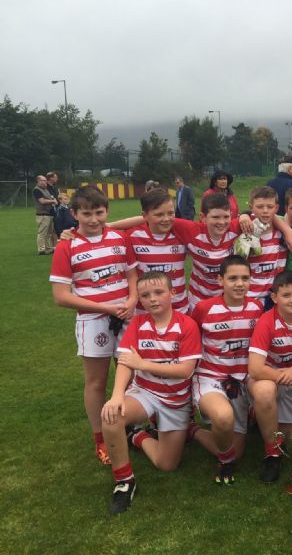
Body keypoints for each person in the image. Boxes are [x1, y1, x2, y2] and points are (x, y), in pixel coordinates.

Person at [50, 186, 138, 465]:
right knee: (97, 382)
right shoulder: (66, 246)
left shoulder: (120, 238)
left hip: (127, 317)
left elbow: (132, 274)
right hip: (93, 321)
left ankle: (130, 427)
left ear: (107, 211)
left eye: (99, 212)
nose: (93, 219)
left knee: (132, 377)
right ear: (74, 214)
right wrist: (105, 308)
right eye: (86, 214)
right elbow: (61, 297)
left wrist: (133, 300)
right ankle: (100, 438)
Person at [100, 271, 202, 514]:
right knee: (112, 416)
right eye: (145, 295)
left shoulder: (187, 325)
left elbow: (185, 371)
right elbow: (126, 362)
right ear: (140, 300)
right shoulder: (137, 323)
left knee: (167, 465)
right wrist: (117, 395)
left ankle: (137, 436)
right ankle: (124, 481)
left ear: (172, 293)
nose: (153, 299)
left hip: (175, 401)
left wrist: (143, 364)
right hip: (145, 392)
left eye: (159, 292)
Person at [189, 255, 263, 485]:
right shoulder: (204, 308)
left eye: (245, 278)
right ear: (220, 280)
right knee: (223, 417)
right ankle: (209, 444)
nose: (240, 284)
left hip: (241, 380)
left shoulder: (257, 307)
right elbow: (190, 342)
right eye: (233, 278)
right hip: (211, 377)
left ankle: (193, 430)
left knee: (237, 451)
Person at [248, 270, 292, 483]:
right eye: (286, 295)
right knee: (265, 391)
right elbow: (255, 369)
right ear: (274, 297)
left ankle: (261, 419)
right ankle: (272, 455)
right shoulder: (266, 322)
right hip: (269, 377)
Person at [126, 188, 189, 314]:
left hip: (178, 308)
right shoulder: (132, 236)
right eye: (159, 215)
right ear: (144, 215)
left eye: (171, 213)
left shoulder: (182, 233)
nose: (166, 219)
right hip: (145, 311)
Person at [238, 186, 287, 307]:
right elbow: (239, 259)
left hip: (275, 297)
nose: (265, 211)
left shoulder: (283, 229)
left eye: (270, 207)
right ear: (251, 207)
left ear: (276, 208)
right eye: (260, 207)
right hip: (250, 296)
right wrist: (243, 216)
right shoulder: (245, 228)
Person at [33, 175, 57, 254]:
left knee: (48, 233)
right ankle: (41, 249)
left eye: (45, 180)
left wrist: (53, 200)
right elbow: (42, 201)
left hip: (49, 213)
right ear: (38, 181)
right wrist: (53, 201)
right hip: (42, 214)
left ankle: (48, 248)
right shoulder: (37, 190)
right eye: (42, 180)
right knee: (42, 233)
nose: (44, 182)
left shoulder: (45, 189)